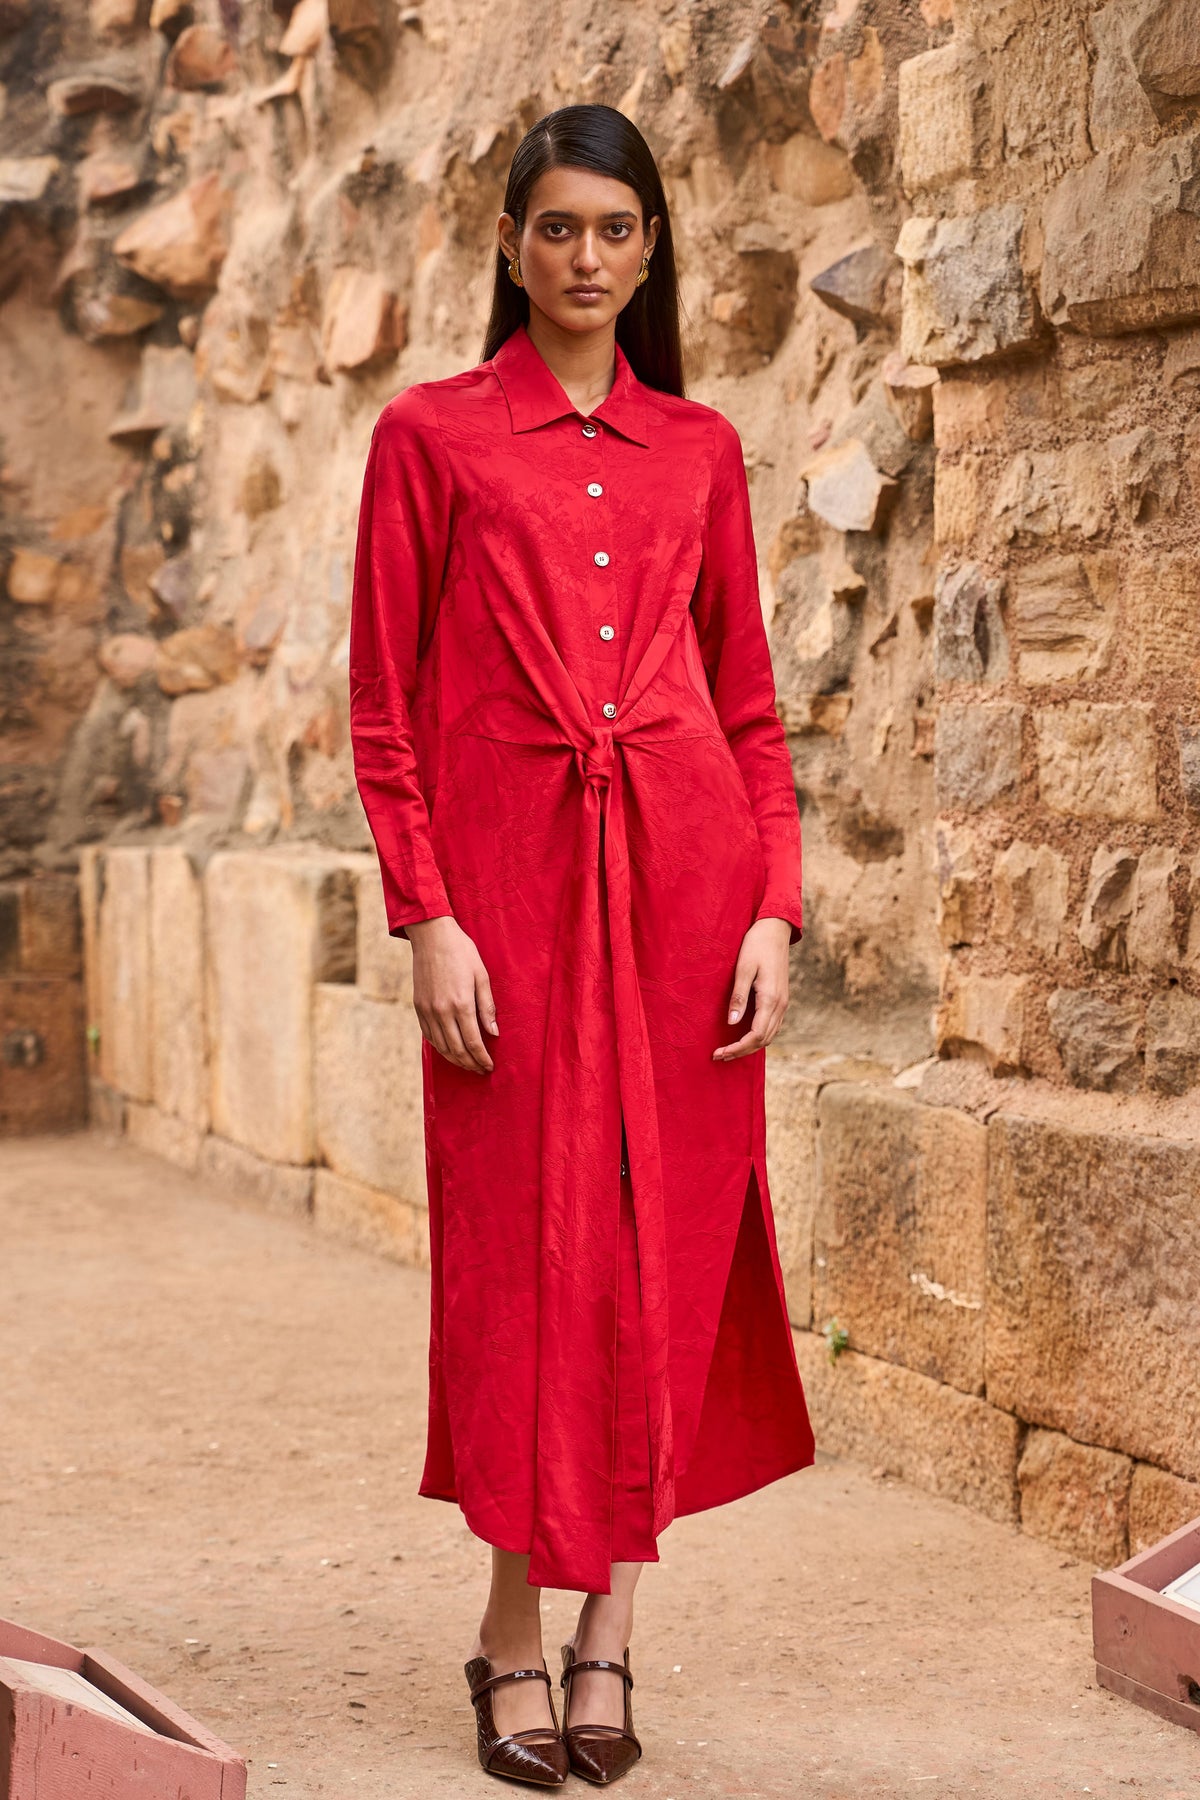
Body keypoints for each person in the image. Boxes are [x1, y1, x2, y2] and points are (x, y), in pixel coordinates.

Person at [348, 102, 815, 1790]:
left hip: (687, 897)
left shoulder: (699, 448)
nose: (589, 259)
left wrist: (773, 902)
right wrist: (429, 919)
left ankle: (612, 1630)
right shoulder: (430, 438)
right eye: (558, 228)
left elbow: (748, 706)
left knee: (659, 1254)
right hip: (510, 909)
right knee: (519, 1261)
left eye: (619, 231)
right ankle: (507, 1631)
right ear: (509, 243)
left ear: (652, 247)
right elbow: (386, 714)